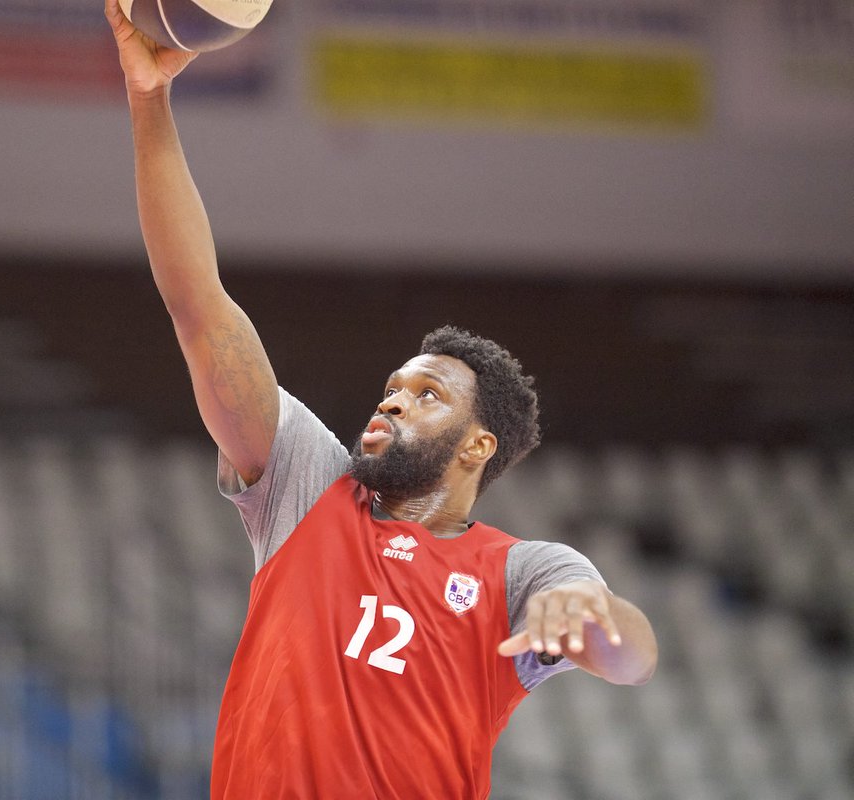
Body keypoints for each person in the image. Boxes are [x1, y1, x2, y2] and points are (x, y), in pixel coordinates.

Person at [105, 2, 659, 796]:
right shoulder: (308, 487)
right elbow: (198, 306)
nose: (391, 402)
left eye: (426, 394)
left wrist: (584, 610)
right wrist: (148, 99)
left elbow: (630, 657)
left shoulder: (518, 571)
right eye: (393, 387)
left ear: (477, 445)